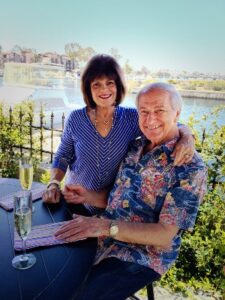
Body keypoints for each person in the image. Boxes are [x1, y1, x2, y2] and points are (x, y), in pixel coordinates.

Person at [54, 82, 207, 300]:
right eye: (144, 112)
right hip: (104, 238)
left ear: (177, 114)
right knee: (54, 272)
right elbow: (118, 198)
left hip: (144, 255)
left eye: (159, 110)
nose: (150, 119)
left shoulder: (190, 167)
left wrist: (105, 226)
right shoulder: (136, 146)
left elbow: (164, 236)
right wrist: (87, 195)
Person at [42, 54, 195, 212]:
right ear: (88, 88)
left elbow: (165, 124)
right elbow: (63, 155)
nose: (104, 90)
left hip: (112, 206)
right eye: (96, 84)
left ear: (119, 86)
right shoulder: (76, 119)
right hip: (75, 201)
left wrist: (187, 136)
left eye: (110, 83)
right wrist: (53, 183)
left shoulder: (131, 118)